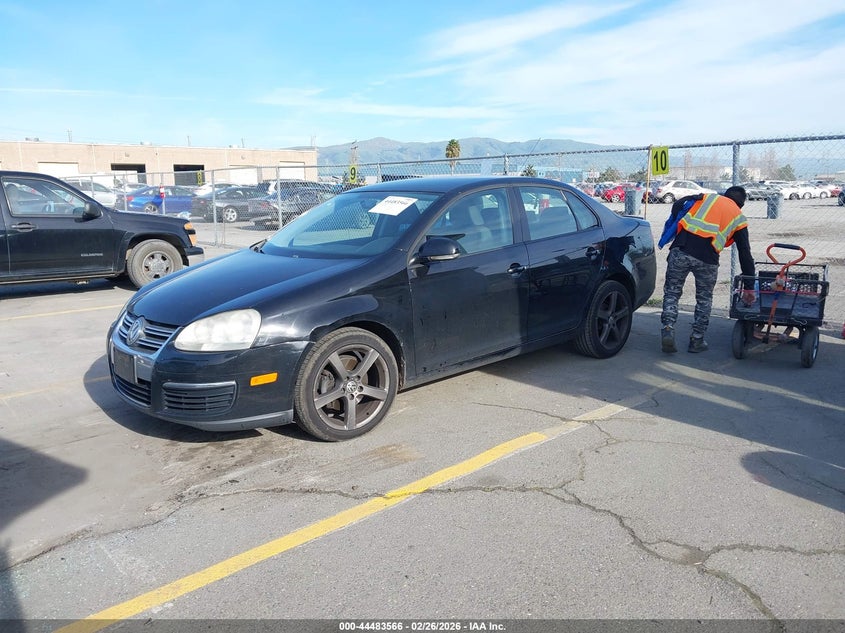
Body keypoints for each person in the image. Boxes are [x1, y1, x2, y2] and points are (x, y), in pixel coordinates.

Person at [659, 185, 756, 353]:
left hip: (681, 250)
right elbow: (745, 254)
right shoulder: (739, 217)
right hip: (707, 260)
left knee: (672, 293)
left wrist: (677, 216)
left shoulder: (706, 198)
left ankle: (668, 328)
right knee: (704, 299)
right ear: (741, 204)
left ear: (725, 195)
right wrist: (749, 287)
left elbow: (677, 205)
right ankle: (696, 340)